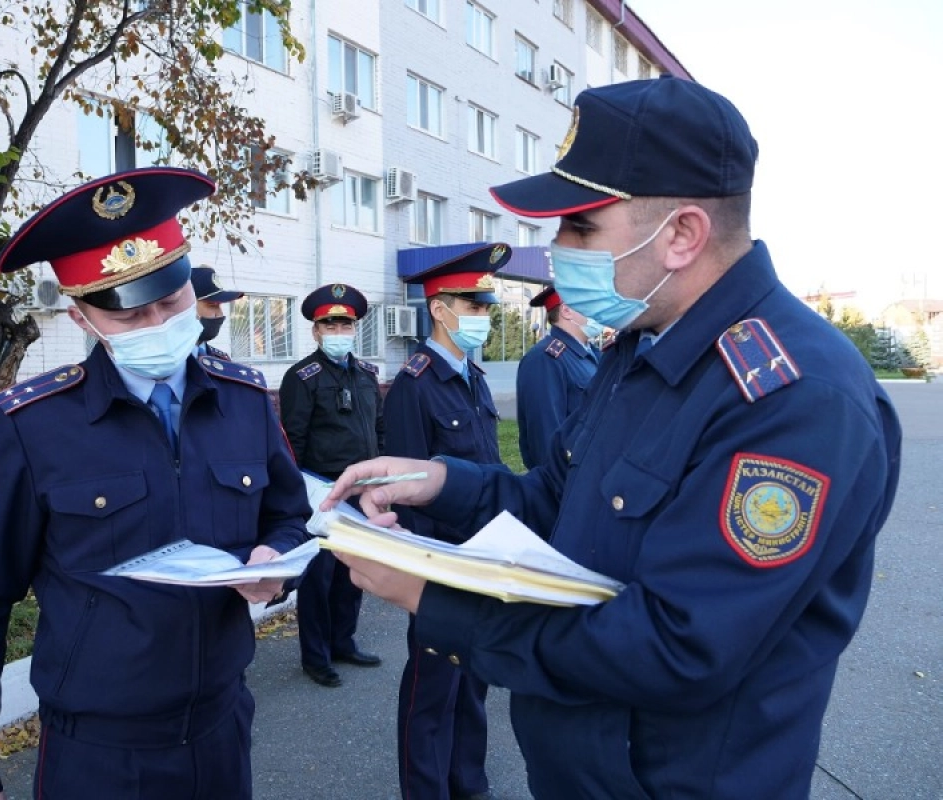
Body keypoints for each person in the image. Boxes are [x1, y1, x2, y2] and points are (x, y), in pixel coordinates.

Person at [324, 75, 902, 800]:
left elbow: (678, 646)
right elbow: (559, 501)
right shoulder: (646, 345)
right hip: (584, 768)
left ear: (683, 235)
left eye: (581, 227)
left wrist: (437, 605)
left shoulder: (794, 397)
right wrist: (444, 481)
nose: (556, 248)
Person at [0, 167, 311, 800]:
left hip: (221, 725)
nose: (159, 324)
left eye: (171, 300)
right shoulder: (35, 425)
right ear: (82, 317)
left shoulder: (243, 398)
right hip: (99, 750)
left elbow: (289, 517)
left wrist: (277, 562)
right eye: (131, 315)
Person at [385, 243, 510, 800]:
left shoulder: (473, 378)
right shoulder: (415, 384)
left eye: (486, 308)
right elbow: (407, 494)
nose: (482, 317)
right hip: (440, 565)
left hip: (483, 557)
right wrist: (423, 573)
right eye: (473, 305)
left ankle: (469, 785)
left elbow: (488, 467)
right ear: (440, 309)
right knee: (432, 690)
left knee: (474, 684)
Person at [278, 283, 385, 688]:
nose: (339, 330)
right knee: (319, 581)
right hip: (322, 494)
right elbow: (293, 443)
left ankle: (343, 642)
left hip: (361, 492)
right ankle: (316, 656)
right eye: (330, 324)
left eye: (345, 323)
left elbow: (380, 428)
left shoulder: (367, 374)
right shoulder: (302, 377)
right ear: (316, 330)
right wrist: (301, 499)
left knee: (351, 575)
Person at [515, 284, 601, 470]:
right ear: (567, 310)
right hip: (568, 483)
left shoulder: (594, 354)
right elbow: (546, 441)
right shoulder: (544, 359)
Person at [191, 264, 244, 359]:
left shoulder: (222, 361)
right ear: (186, 307)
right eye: (212, 306)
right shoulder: (164, 365)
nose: (220, 314)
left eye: (219, 306)